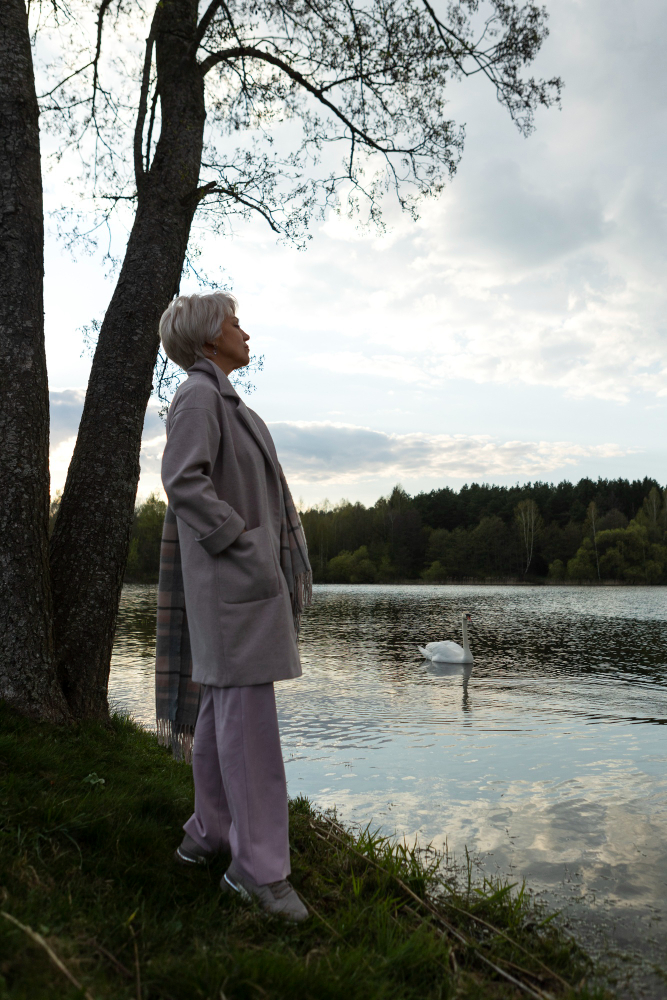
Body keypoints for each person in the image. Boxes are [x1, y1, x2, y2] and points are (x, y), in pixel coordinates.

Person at [156, 291, 312, 922]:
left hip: (236, 586)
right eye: (235, 323)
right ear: (209, 338)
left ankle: (209, 834)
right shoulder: (199, 396)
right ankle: (257, 871)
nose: (245, 331)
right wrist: (240, 542)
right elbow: (181, 479)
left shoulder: (221, 397)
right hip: (232, 585)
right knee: (250, 729)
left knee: (224, 716)